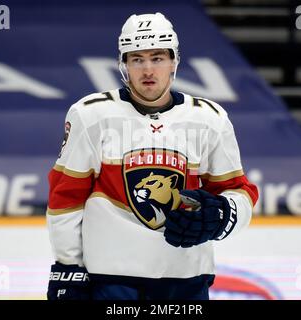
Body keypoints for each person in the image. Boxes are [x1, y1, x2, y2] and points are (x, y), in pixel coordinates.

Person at [46, 12, 258, 300]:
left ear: (174, 61)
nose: (147, 70)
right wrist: (68, 266)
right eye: (137, 59)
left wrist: (222, 215)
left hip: (186, 279)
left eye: (157, 58)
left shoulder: (210, 119)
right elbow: (66, 198)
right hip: (112, 279)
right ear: (124, 65)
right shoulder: (90, 114)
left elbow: (238, 191)